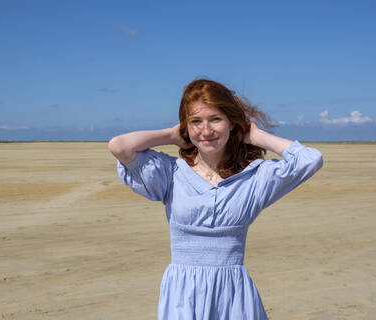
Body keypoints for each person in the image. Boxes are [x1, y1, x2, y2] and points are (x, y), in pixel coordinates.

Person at [108, 79, 323, 319]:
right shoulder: (171, 174)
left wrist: (257, 136)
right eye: (196, 121)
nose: (206, 131)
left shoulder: (254, 179)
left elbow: (310, 160)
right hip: (182, 295)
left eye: (215, 119)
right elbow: (119, 146)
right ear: (185, 127)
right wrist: (171, 135)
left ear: (231, 123)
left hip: (233, 297)